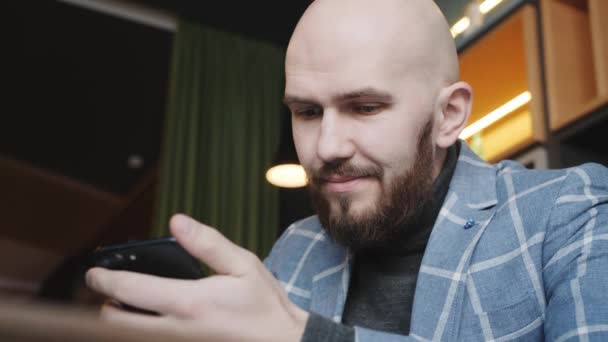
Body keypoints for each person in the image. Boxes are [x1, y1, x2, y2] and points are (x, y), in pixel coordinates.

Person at [86, 0, 608, 340]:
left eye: (364, 107)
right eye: (307, 112)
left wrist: (305, 337)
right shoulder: (296, 249)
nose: (327, 147)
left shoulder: (571, 212)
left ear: (449, 115)